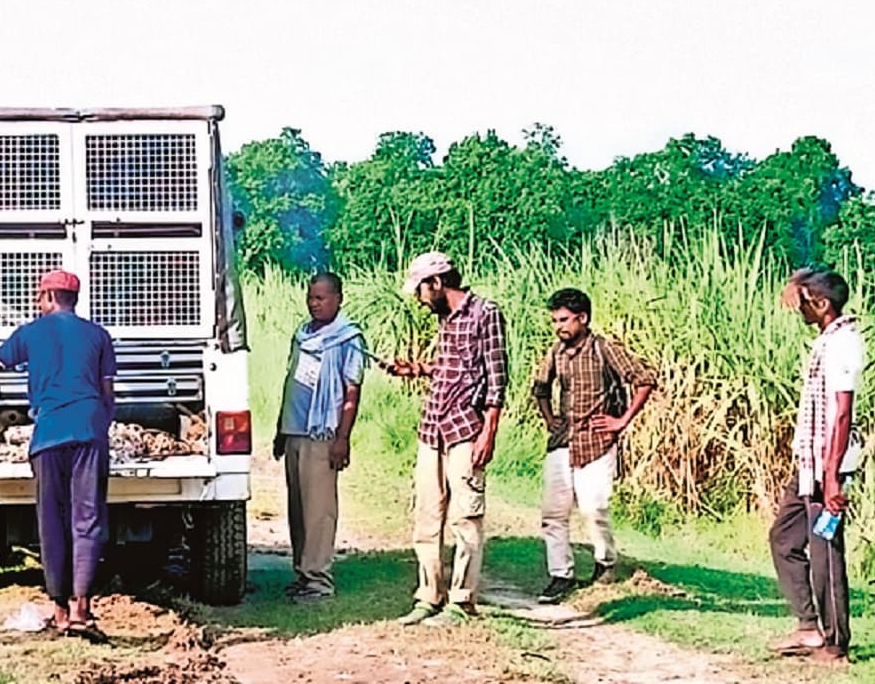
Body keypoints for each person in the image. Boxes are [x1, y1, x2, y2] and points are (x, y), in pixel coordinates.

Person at [0, 270, 117, 637]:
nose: (37, 304)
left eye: (39, 297)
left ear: (50, 297)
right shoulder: (99, 335)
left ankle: (60, 611)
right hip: (89, 433)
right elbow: (107, 395)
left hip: (48, 438)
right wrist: (100, 428)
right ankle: (83, 610)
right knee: (88, 520)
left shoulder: (30, 333)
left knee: (52, 523)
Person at [384, 252, 508, 627]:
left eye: (421, 289)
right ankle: (429, 595)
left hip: (465, 431)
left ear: (436, 283)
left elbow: (496, 380)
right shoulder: (445, 320)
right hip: (432, 429)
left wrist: (489, 431)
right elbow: (452, 368)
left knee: (465, 517)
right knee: (427, 515)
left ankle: (462, 600)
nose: (420, 298)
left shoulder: (486, 314)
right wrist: (417, 369)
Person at [531, 288, 655, 604]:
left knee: (594, 507)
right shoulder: (556, 352)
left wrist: (621, 420)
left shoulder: (603, 349)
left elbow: (644, 380)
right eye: (555, 321)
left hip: (598, 440)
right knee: (553, 512)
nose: (559, 327)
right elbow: (540, 388)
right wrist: (550, 419)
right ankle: (561, 574)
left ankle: (605, 562)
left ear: (583, 318)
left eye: (564, 320)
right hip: (563, 441)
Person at [767, 267, 862, 666]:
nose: (798, 309)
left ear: (821, 304)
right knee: (785, 540)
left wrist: (832, 476)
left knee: (825, 552)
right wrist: (796, 283)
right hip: (808, 468)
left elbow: (842, 414)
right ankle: (808, 627)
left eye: (803, 302)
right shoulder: (827, 339)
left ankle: (836, 643)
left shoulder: (844, 343)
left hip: (828, 472)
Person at [273, 272, 366, 602]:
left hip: (322, 435)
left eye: (321, 298)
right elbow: (291, 384)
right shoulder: (302, 335)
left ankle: (319, 581)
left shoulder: (347, 339)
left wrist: (342, 438)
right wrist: (280, 431)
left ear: (338, 299)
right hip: (295, 431)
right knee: (297, 508)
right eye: (311, 297)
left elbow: (352, 392)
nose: (314, 304)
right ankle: (303, 572)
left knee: (319, 511)